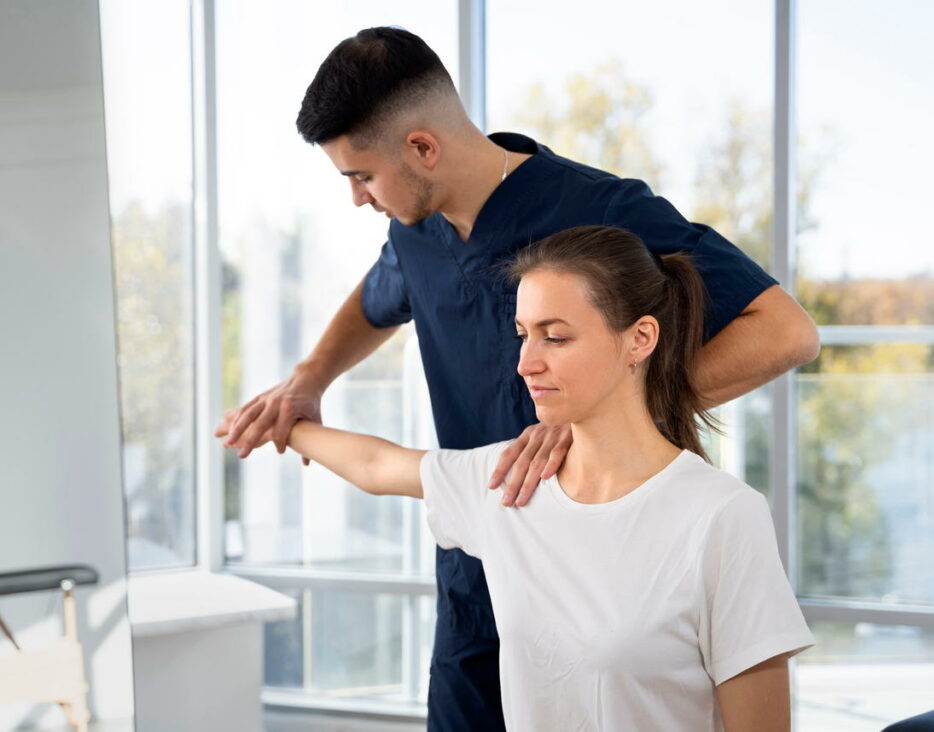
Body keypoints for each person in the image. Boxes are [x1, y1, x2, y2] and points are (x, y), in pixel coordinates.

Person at [216, 27, 820, 731]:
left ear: (421, 147)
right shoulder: (415, 229)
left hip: (602, 576)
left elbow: (785, 331)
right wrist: (308, 378)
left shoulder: (600, 213)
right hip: (479, 575)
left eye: (361, 175)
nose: (357, 198)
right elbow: (381, 298)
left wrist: (604, 420)